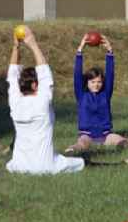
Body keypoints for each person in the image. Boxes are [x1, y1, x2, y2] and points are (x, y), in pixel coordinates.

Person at [5, 25, 85, 175]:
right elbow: (45, 74)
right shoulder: (42, 101)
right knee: (80, 162)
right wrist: (32, 43)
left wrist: (16, 46)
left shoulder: (14, 102)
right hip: (48, 167)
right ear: (35, 85)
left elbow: (12, 75)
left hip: (19, 167)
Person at [65, 34, 128, 154]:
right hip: (87, 135)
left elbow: (110, 75)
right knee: (82, 143)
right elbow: (77, 75)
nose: (96, 84)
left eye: (99, 82)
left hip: (106, 135)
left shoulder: (105, 94)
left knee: (122, 141)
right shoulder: (81, 95)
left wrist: (110, 52)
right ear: (87, 83)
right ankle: (71, 150)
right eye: (93, 82)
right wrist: (80, 51)